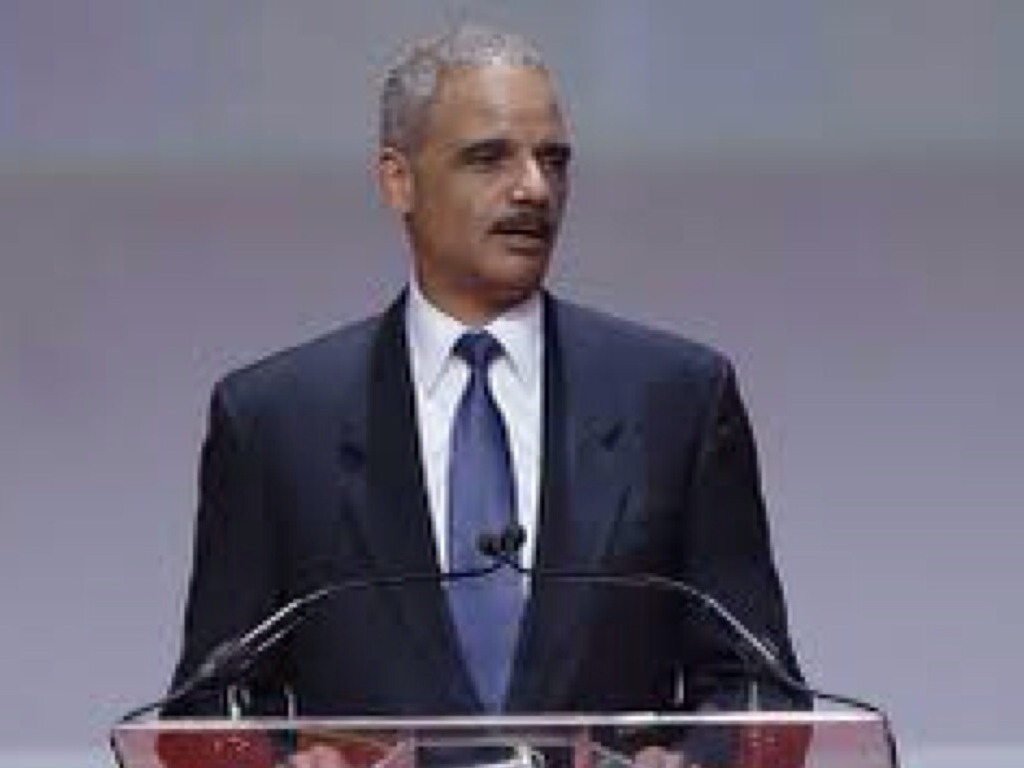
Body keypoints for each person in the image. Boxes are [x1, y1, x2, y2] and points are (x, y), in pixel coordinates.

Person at [166, 23, 807, 725]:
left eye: (553, 160)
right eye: (489, 158)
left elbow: (759, 690)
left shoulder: (677, 400)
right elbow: (213, 706)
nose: (534, 188)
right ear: (399, 180)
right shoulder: (276, 421)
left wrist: (685, 760)